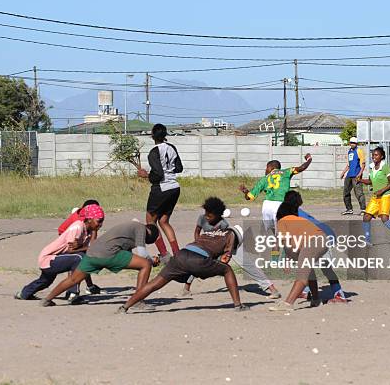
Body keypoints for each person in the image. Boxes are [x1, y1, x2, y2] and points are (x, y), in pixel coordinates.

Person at [117, 199, 250, 313]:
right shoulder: (231, 235)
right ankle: (238, 305)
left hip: (181, 254)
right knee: (228, 271)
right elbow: (225, 261)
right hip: (197, 260)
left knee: (154, 284)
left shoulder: (211, 232)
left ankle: (125, 306)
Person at [40, 221, 161, 308]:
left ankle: (47, 299)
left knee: (73, 279)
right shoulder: (140, 227)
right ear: (149, 233)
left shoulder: (129, 229)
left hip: (92, 253)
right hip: (109, 254)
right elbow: (142, 253)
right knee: (145, 264)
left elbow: (128, 255)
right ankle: (137, 301)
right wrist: (151, 260)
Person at [182, 197, 281, 299]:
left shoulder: (223, 224)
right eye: (206, 214)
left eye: (209, 215)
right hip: (211, 245)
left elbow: (228, 239)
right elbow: (197, 231)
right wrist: (199, 244)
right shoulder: (202, 218)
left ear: (217, 215)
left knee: (246, 264)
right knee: (196, 260)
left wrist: (226, 254)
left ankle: (273, 290)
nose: (206, 217)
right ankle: (186, 289)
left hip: (231, 245)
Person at [15, 204, 105, 302]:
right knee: (80, 258)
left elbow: (92, 248)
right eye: (99, 221)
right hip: (49, 258)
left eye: (102, 222)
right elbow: (71, 251)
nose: (100, 224)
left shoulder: (88, 230)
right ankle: (73, 294)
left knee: (45, 281)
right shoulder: (77, 227)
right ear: (89, 219)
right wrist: (84, 248)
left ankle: (24, 293)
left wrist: (94, 232)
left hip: (57, 259)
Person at [276, 192, 348, 304]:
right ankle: (313, 296)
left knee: (321, 269)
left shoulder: (289, 217)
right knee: (312, 268)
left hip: (319, 237)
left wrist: (285, 260)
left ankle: (339, 295)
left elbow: (286, 242)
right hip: (322, 235)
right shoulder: (298, 213)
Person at [268, 191, 333, 311]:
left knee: (302, 274)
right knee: (308, 272)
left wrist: (275, 260)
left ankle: (288, 303)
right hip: (321, 239)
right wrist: (287, 260)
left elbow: (279, 242)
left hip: (313, 242)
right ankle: (316, 299)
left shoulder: (282, 221)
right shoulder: (296, 220)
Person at [137, 123, 183, 264]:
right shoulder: (172, 148)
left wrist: (146, 175)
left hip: (161, 188)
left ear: (152, 135)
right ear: (165, 135)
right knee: (164, 221)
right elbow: (179, 168)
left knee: (151, 221)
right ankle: (177, 254)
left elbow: (158, 174)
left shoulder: (154, 152)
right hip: (174, 187)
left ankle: (164, 254)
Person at [239, 155, 312, 234]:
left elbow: (249, 197)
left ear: (271, 168)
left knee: (273, 230)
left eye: (266, 168)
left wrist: (245, 191)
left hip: (267, 207)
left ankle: (276, 242)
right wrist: (309, 159)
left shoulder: (264, 179)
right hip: (281, 205)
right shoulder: (287, 172)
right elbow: (302, 167)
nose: (266, 170)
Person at [359, 147, 390, 247]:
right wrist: (360, 180)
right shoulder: (371, 167)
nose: (373, 157)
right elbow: (371, 181)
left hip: (386, 196)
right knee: (366, 217)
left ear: (381, 156)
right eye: (373, 155)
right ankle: (367, 240)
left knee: (384, 218)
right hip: (376, 197)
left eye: (376, 155)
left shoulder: (385, 167)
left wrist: (382, 190)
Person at [57, 199, 102, 296]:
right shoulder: (79, 221)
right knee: (75, 260)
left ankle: (89, 286)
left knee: (84, 259)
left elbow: (92, 244)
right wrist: (85, 246)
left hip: (80, 237)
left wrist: (93, 234)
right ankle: (71, 290)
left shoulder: (91, 219)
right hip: (67, 235)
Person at [340, 137, 366, 215]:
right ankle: (349, 209)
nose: (352, 144)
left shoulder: (359, 151)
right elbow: (348, 165)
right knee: (346, 192)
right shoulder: (349, 152)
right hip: (349, 175)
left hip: (356, 175)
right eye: (351, 142)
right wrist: (343, 172)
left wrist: (360, 174)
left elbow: (363, 164)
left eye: (354, 143)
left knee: (358, 193)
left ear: (356, 143)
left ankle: (363, 210)